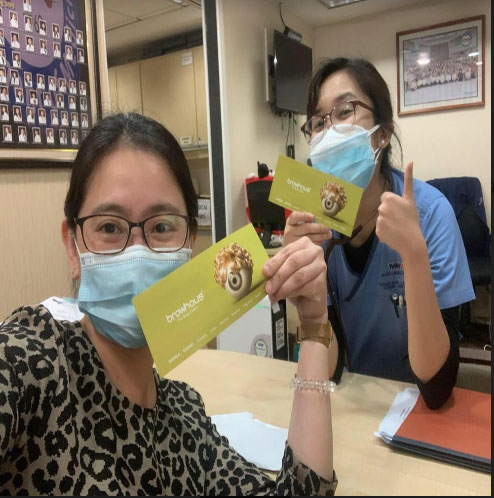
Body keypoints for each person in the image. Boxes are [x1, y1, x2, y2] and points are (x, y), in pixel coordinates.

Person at [0, 112, 337, 495]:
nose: (138, 251)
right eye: (109, 227)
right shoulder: (34, 363)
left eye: (161, 227)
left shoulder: (184, 418)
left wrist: (313, 322)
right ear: (72, 246)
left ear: (190, 242)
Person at [285, 58, 474, 410]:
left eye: (344, 111)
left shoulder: (432, 215)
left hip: (419, 412)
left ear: (383, 134)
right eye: (318, 123)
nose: (329, 133)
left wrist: (414, 256)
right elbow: (330, 372)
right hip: (355, 408)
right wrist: (309, 306)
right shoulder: (317, 227)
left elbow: (437, 388)